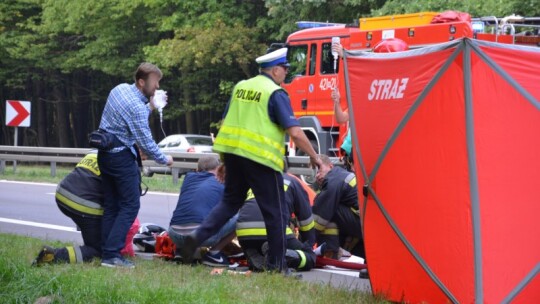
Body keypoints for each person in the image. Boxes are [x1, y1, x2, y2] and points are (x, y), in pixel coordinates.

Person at [179, 47, 323, 273]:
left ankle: (197, 237)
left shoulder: (240, 88)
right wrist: (315, 157)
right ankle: (277, 267)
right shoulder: (275, 93)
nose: (286, 74)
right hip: (261, 160)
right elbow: (295, 132)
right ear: (275, 70)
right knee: (276, 214)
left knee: (228, 204)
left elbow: (227, 123)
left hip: (235, 156)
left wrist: (226, 161)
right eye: (285, 69)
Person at [97, 62, 173, 268]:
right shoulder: (137, 108)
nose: (157, 87)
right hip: (121, 159)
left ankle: (105, 251)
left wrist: (150, 106)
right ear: (142, 82)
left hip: (104, 155)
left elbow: (130, 118)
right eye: (155, 83)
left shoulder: (119, 89)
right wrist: (165, 159)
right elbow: (146, 142)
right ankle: (112, 255)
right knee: (130, 206)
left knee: (112, 205)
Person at [32, 152, 139, 265]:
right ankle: (53, 256)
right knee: (98, 250)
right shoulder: (125, 162)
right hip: (83, 204)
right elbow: (122, 201)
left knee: (93, 231)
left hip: (62, 193)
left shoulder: (97, 152)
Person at [236, 173, 316, 272]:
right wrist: (308, 245)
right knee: (310, 257)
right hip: (273, 229)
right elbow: (306, 221)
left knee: (261, 255)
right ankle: (281, 256)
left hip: (244, 231)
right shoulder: (292, 181)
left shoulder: (257, 179)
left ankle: (257, 256)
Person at [168, 155, 237, 267]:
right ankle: (214, 254)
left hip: (174, 233)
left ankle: (181, 251)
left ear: (197, 169)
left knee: (189, 210)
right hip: (200, 235)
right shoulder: (220, 182)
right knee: (240, 216)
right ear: (218, 167)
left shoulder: (188, 178)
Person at [312, 154, 364, 260]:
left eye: (319, 168)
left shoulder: (333, 180)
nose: (317, 175)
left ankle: (330, 252)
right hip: (365, 222)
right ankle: (333, 251)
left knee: (327, 210)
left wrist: (305, 243)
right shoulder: (341, 176)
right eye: (316, 172)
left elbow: (319, 220)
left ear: (331, 166)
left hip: (362, 222)